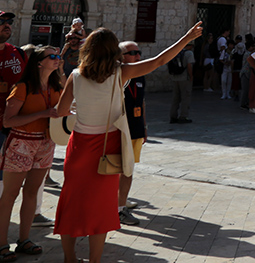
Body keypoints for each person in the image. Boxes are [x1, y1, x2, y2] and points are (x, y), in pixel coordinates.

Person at [54, 23, 202, 263]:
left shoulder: (75, 75)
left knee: (72, 202)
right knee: (101, 206)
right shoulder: (121, 73)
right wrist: (186, 37)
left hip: (80, 145)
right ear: (114, 50)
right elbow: (158, 61)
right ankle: (95, 260)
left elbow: (61, 111)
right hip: (108, 145)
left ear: (88, 49)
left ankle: (69, 259)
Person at [0, 46, 63, 260]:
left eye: (58, 56)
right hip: (21, 142)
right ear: (38, 62)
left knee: (31, 193)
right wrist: (43, 113)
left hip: (46, 143)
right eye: (52, 57)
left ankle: (24, 239)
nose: (57, 59)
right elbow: (8, 121)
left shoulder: (57, 86)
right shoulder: (23, 87)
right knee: (9, 195)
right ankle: (1, 244)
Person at [117, 42, 146, 225]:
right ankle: (119, 208)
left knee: (128, 169)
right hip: (120, 128)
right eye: (133, 53)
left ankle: (121, 201)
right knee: (119, 169)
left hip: (135, 128)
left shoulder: (140, 74)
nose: (138, 56)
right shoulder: (116, 76)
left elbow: (143, 102)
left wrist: (144, 127)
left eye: (139, 52)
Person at [166, 44, 193, 124]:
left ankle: (173, 116)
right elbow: (189, 66)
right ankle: (183, 116)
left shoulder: (175, 52)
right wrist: (191, 76)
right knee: (185, 97)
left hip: (175, 77)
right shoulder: (189, 53)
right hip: (184, 78)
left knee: (175, 98)